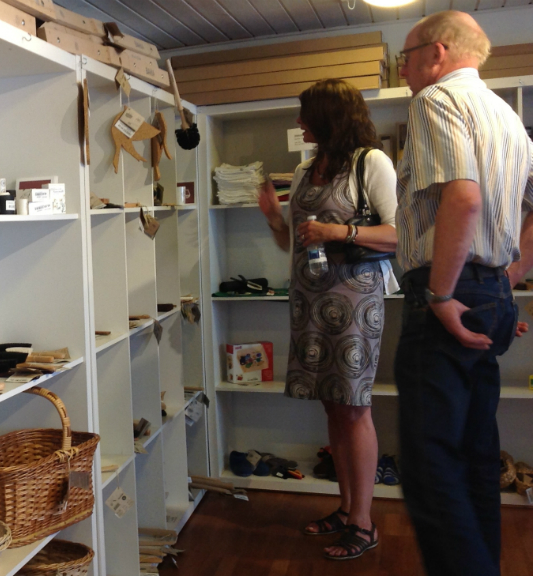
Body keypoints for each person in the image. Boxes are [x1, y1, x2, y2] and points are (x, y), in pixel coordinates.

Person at [395, 11, 533, 576]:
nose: (402, 70)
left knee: (430, 463)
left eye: (405, 57)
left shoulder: (435, 100)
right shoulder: (507, 115)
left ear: (438, 52)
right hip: (489, 288)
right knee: (476, 454)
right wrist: (506, 281)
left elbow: (465, 198)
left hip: (448, 292)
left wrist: (441, 295)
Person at [258, 78, 398, 560]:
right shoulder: (304, 170)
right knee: (333, 405)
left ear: (329, 117)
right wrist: (274, 219)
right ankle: (345, 508)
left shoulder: (370, 162)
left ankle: (364, 521)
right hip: (310, 300)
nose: (299, 122)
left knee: (354, 407)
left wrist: (339, 231)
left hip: (355, 300)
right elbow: (293, 242)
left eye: (306, 114)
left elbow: (400, 233)